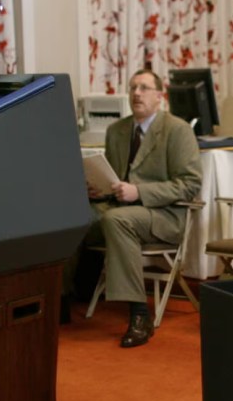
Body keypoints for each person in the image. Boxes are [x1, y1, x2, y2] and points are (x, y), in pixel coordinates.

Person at [79, 68, 202, 347]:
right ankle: (66, 297)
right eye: (133, 88)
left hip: (163, 214)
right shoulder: (117, 130)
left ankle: (139, 314)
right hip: (119, 207)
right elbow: (114, 179)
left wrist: (140, 192)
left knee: (117, 220)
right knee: (72, 215)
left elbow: (190, 184)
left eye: (144, 88)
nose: (137, 93)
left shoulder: (177, 130)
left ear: (160, 96)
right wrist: (98, 190)